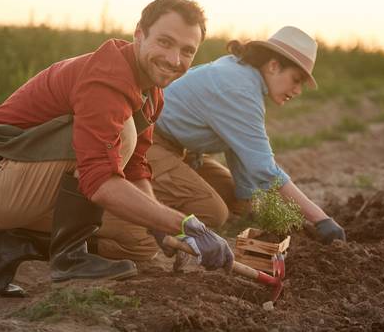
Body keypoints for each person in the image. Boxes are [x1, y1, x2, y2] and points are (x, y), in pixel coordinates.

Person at [0, 0, 234, 298]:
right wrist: (185, 224)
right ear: (139, 34)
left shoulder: (152, 92)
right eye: (165, 42)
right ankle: (69, 257)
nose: (174, 59)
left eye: (187, 51)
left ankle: (9, 245)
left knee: (140, 240)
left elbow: (135, 166)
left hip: (30, 184)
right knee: (125, 133)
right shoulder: (108, 78)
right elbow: (100, 180)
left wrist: (160, 226)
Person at [147, 26, 346, 243]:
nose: (298, 90)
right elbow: (265, 170)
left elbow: (238, 150)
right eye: (296, 79)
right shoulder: (239, 89)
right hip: (148, 142)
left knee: (235, 200)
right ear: (273, 65)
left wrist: (248, 205)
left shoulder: (242, 74)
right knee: (212, 212)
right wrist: (321, 220)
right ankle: (139, 212)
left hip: (181, 150)